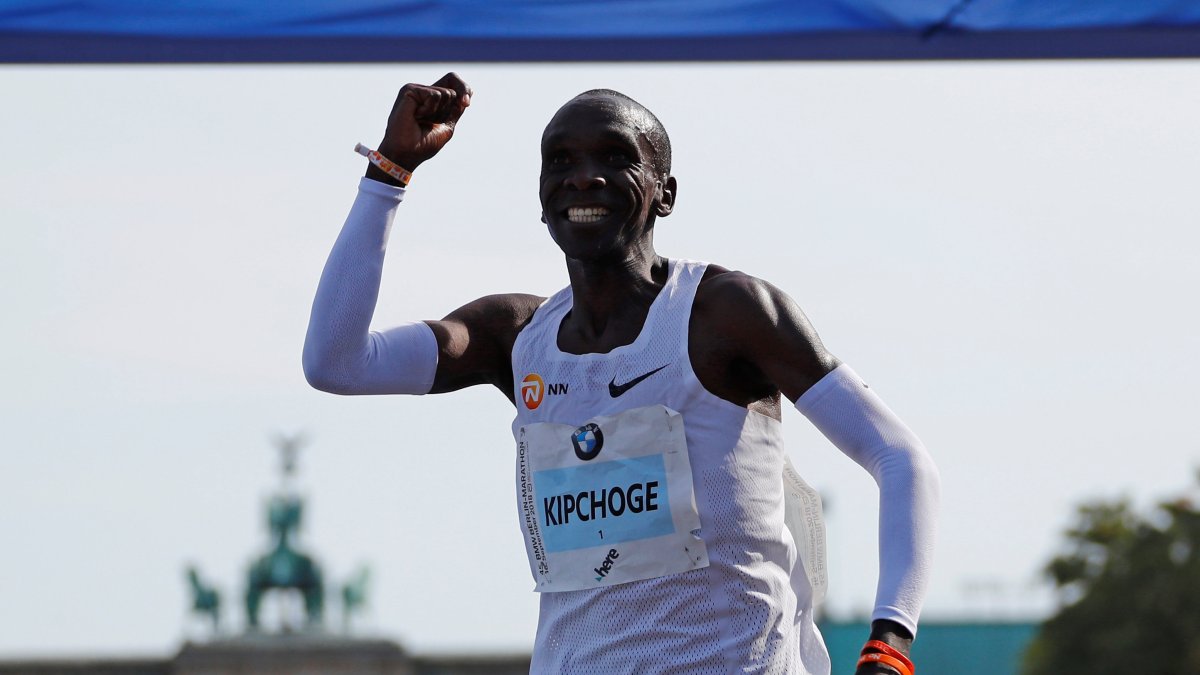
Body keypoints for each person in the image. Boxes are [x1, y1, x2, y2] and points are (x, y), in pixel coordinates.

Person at [304, 72, 939, 675]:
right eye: (561, 161)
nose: (584, 177)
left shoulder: (727, 313)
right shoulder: (516, 335)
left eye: (615, 157)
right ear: (541, 197)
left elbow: (900, 457)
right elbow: (336, 363)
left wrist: (891, 642)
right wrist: (389, 171)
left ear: (665, 192)